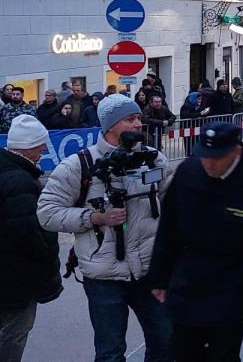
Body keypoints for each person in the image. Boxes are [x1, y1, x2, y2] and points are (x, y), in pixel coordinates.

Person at [38, 94, 175, 362]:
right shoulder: (79, 166)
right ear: (110, 126)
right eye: (130, 119)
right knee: (110, 353)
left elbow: (174, 206)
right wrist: (94, 218)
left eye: (138, 117)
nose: (138, 123)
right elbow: (47, 213)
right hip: (104, 276)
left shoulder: (154, 159)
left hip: (150, 270)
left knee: (166, 343)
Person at [146, 122, 243, 362]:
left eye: (216, 157)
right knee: (184, 353)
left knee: (223, 355)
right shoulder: (188, 171)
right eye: (204, 156)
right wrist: (159, 276)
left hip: (233, 286)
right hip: (188, 282)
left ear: (235, 151)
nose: (208, 163)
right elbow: (168, 227)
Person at [0, 115, 63, 360]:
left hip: (9, 272)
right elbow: (27, 233)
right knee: (15, 332)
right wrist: (48, 252)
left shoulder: (11, 172)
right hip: (16, 276)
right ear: (28, 146)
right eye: (41, 144)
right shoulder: (19, 181)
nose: (45, 149)